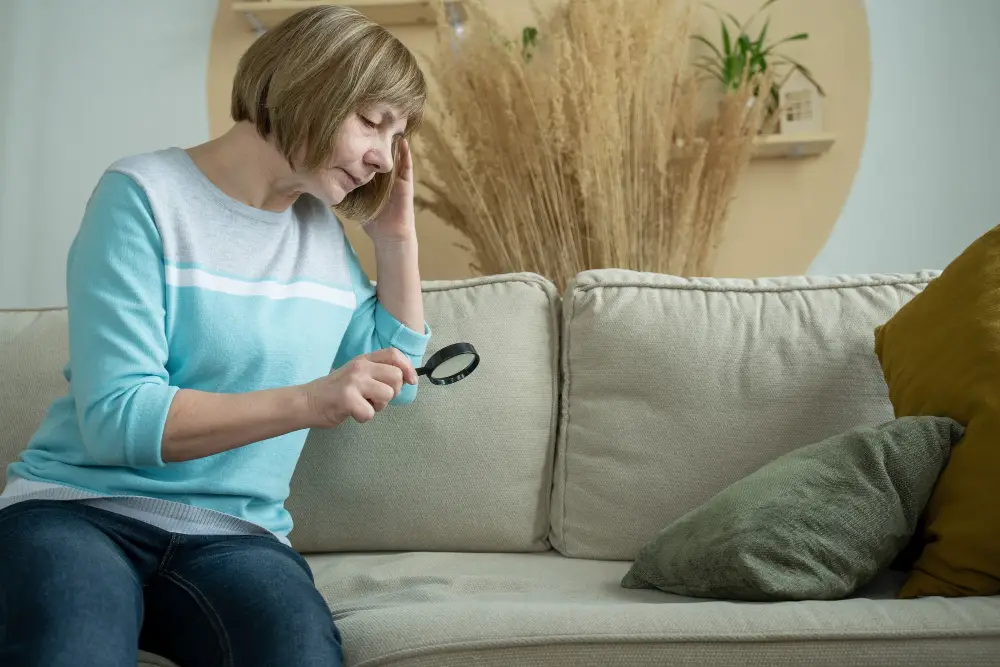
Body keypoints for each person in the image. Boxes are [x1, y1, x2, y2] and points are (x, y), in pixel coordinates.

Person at [0, 6, 431, 666]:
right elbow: (120, 418)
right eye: (371, 121)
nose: (382, 155)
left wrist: (396, 241)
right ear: (305, 83)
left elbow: (391, 380)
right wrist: (311, 399)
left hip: (238, 535)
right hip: (76, 512)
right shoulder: (143, 196)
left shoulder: (320, 235)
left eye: (395, 134)